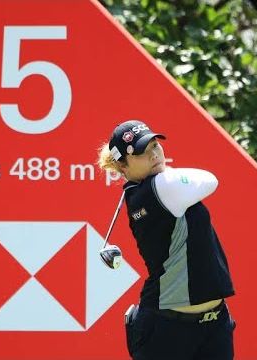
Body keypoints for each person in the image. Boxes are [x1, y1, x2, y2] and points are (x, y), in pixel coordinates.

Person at [97, 120, 236, 360]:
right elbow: (210, 179)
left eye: (154, 145)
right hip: (168, 329)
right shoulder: (159, 187)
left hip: (213, 324)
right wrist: (167, 171)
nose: (153, 154)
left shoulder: (146, 191)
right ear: (123, 165)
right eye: (141, 152)